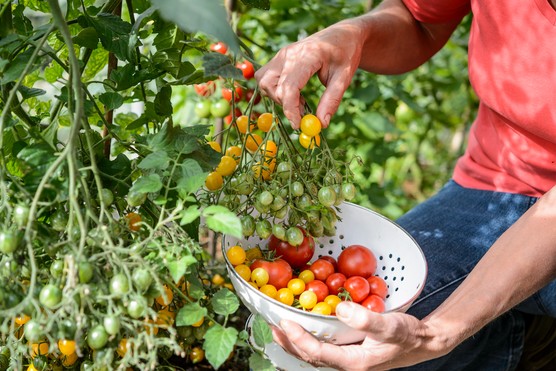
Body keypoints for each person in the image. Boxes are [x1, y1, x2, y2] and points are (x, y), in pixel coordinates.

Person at [255, 0, 556, 370]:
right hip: (497, 183)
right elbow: (420, 19)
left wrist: (438, 333)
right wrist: (355, 34)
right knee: (335, 345)